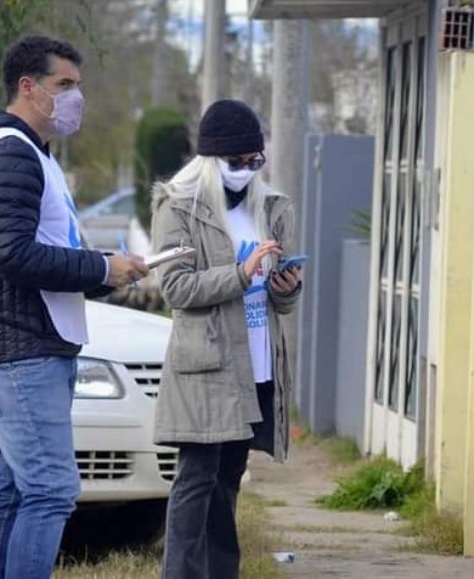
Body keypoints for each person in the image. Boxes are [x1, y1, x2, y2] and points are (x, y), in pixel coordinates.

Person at [0, 35, 147, 579]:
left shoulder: (30, 152)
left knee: (15, 488)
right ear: (28, 87)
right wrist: (102, 268)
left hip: (25, 340)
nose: (75, 97)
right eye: (65, 85)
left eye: (78, 87)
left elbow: (47, 253)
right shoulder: (10, 151)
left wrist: (110, 271)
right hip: (17, 344)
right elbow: (12, 253)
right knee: (50, 489)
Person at [151, 99, 302, 579]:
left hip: (257, 363)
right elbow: (174, 287)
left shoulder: (272, 206)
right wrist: (241, 273)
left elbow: (282, 296)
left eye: (253, 161)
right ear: (211, 161)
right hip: (206, 363)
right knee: (195, 479)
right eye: (235, 163)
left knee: (228, 481)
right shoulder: (179, 208)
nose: (245, 170)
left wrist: (287, 290)